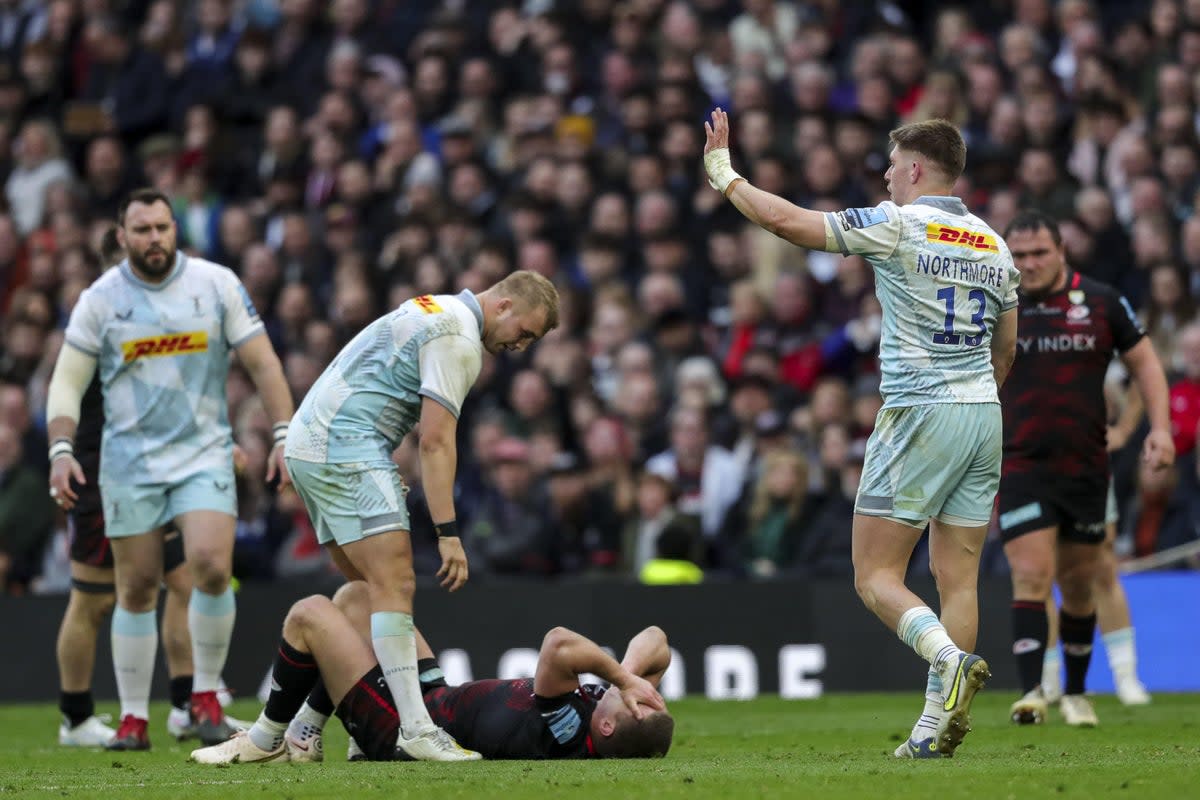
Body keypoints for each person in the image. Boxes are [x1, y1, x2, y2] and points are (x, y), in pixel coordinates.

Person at [703, 109, 1019, 758]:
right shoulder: (993, 241)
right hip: (984, 413)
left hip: (919, 415)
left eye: (891, 165)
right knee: (955, 580)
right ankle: (934, 728)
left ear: (914, 169)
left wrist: (724, 175)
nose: (884, 176)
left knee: (875, 574)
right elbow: (1007, 346)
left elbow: (790, 223)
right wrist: (973, 397)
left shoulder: (898, 223)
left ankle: (948, 664)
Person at [46, 188, 294, 750]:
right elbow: (66, 381)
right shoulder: (101, 299)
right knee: (133, 589)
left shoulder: (216, 284)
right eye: (142, 230)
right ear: (122, 236)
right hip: (129, 462)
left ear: (174, 230)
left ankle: (203, 697)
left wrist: (283, 433)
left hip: (203, 452)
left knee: (208, 566)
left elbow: (262, 360)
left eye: (162, 227)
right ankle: (133, 718)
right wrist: (61, 450)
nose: (153, 238)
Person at [282, 270, 560, 761]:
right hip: (348, 444)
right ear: (504, 306)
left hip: (314, 440)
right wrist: (448, 533)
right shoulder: (459, 338)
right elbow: (434, 440)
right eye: (525, 333)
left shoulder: (435, 306)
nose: (521, 346)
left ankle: (312, 727)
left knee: (367, 596)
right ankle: (415, 729)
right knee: (395, 586)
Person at [54, 227, 240, 747]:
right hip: (103, 474)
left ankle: (188, 703)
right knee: (94, 599)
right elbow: (67, 396)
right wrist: (62, 456)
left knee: (186, 582)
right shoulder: (98, 322)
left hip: (168, 472)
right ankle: (74, 717)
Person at [998, 211, 1173, 727]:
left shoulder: (1100, 300)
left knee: (1079, 584)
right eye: (1020, 255)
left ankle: (1076, 691)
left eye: (1038, 254)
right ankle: (1032, 690)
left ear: (1062, 251)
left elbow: (1145, 363)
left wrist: (1158, 429)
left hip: (1086, 466)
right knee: (1031, 574)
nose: (1028, 264)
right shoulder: (995, 304)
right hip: (1021, 462)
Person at [189, 581, 671, 763]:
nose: (643, 692)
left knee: (309, 614)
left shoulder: (565, 729)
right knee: (361, 598)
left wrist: (625, 681)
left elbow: (558, 643)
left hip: (408, 730)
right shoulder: (607, 712)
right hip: (431, 698)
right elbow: (657, 641)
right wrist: (629, 678)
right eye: (652, 695)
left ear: (607, 727)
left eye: (640, 703)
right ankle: (305, 733)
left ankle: (268, 739)